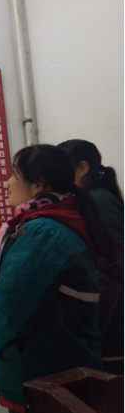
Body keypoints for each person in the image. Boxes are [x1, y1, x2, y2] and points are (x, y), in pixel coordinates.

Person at [0, 145, 121, 412]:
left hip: (43, 375)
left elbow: (9, 309)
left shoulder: (43, 233)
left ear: (38, 185)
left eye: (14, 174)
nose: (7, 181)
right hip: (59, 367)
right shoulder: (54, 223)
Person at [58, 139, 125, 373]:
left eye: (62, 170)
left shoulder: (99, 202)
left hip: (112, 329)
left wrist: (90, 328)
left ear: (82, 168)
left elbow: (112, 269)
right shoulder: (94, 199)